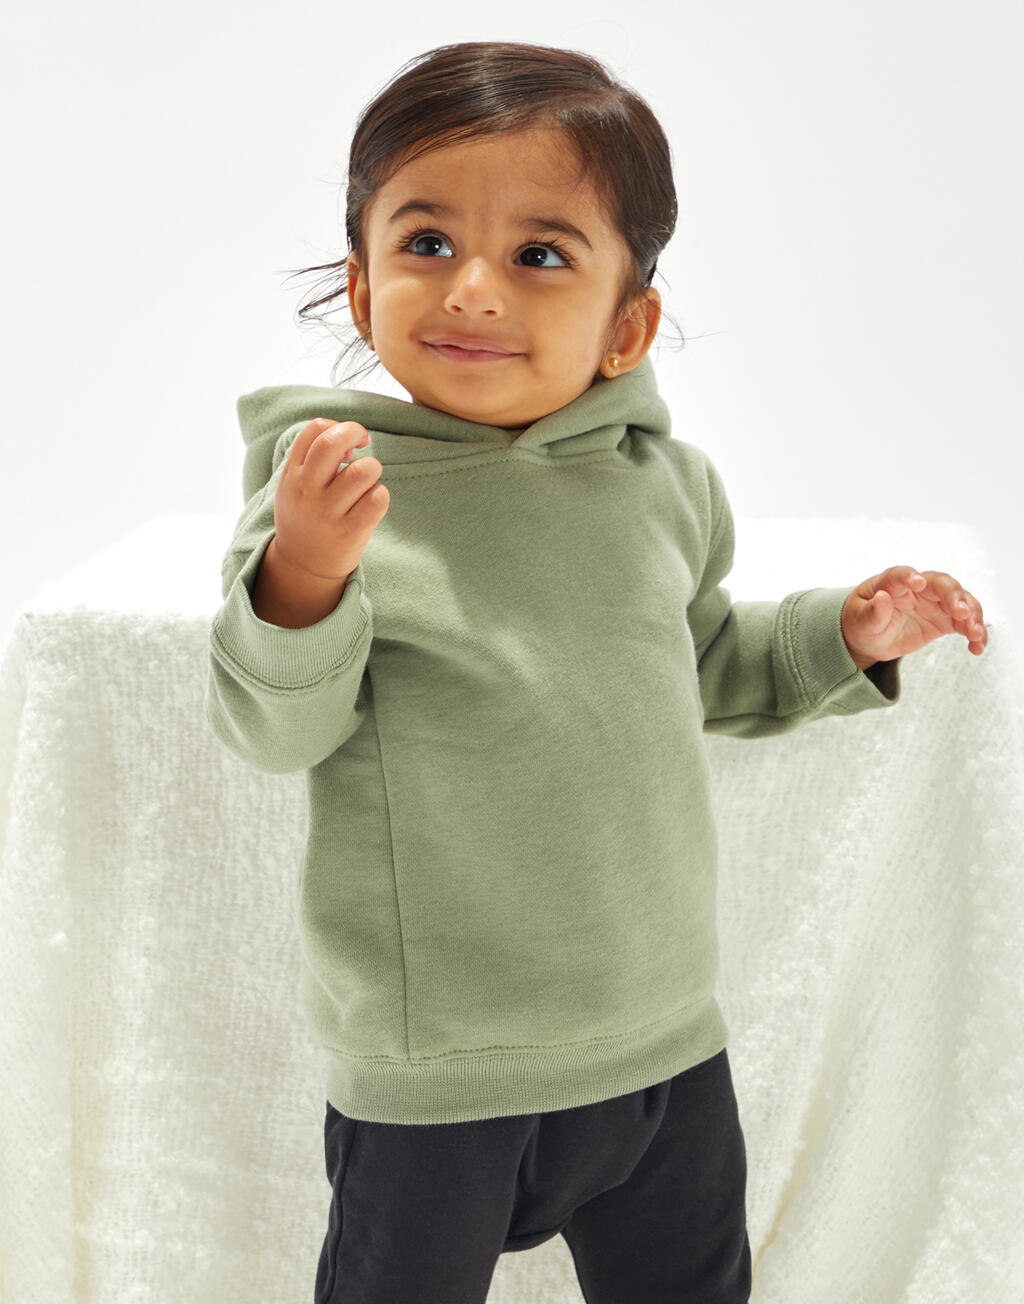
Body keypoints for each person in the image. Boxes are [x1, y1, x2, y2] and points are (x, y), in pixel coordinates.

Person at [204, 40, 988, 1304]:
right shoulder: (336, 489)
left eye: (538, 254)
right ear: (359, 287)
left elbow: (701, 662)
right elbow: (271, 727)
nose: (471, 290)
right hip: (441, 1064)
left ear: (628, 325)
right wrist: (304, 570)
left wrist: (845, 637)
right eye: (425, 242)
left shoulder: (658, 486)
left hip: (661, 1040)